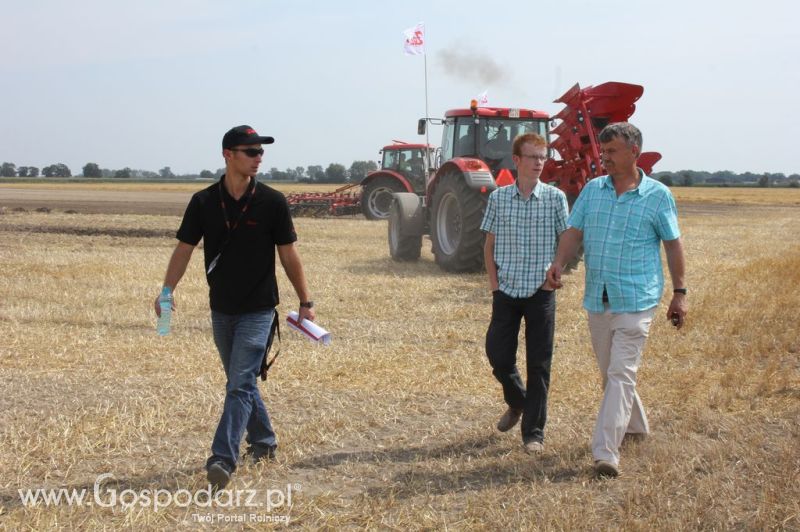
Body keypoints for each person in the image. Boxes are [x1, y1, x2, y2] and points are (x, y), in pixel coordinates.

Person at [153, 125, 316, 489]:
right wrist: (166, 293)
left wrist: (306, 301)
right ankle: (264, 442)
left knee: (240, 382)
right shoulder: (204, 202)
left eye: (261, 152)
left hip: (259, 309)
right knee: (239, 382)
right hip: (221, 308)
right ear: (228, 154)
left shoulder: (272, 202)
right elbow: (184, 248)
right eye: (251, 151)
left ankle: (222, 458)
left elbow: (289, 254)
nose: (259, 158)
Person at [545, 122, 687, 478]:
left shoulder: (658, 196)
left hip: (637, 299)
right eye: (603, 151)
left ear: (634, 152)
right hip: (599, 296)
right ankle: (636, 425)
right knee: (612, 375)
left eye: (611, 152)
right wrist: (559, 263)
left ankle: (605, 452)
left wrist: (680, 293)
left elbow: (673, 245)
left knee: (621, 373)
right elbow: (574, 232)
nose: (603, 158)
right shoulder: (593, 191)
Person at [480, 133, 569, 454]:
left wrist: (555, 273)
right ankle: (517, 401)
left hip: (540, 293)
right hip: (506, 290)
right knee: (498, 355)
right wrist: (494, 284)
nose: (538, 163)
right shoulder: (498, 198)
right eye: (532, 157)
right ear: (516, 160)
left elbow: (566, 241)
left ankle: (534, 433)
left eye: (542, 157)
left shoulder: (555, 198)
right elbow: (488, 245)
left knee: (539, 364)